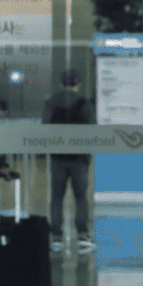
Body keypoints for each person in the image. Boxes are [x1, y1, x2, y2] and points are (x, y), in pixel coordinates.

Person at [41, 67, 96, 251]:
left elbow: (45, 127)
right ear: (78, 84)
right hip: (79, 159)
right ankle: (82, 235)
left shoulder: (51, 102)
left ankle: (56, 237)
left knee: (57, 197)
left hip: (58, 158)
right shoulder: (84, 103)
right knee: (81, 197)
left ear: (61, 84)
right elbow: (92, 130)